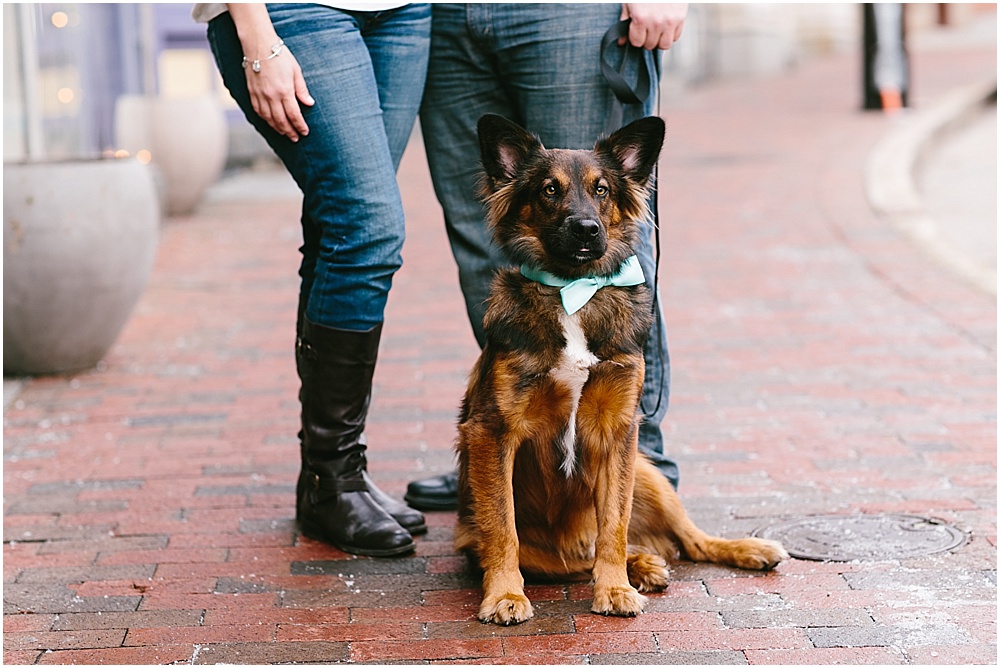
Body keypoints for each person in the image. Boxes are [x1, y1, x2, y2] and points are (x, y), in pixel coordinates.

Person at [405, 3, 687, 512]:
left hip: (565, 13)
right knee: (483, 241)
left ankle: (636, 468)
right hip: (438, 18)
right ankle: (521, 451)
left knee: (598, 233)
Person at [195, 3, 431, 556]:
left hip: (402, 13)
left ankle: (337, 474)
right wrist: (257, 38)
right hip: (289, 12)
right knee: (367, 227)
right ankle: (331, 480)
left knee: (339, 227)